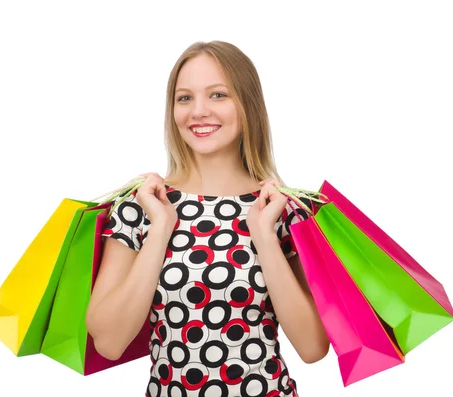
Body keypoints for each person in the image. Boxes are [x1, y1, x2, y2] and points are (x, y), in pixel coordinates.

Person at [85, 40, 329, 397]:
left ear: (248, 105)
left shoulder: (284, 209)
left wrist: (263, 236)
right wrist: (160, 229)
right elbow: (108, 342)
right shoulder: (140, 206)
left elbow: (313, 348)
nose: (198, 111)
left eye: (218, 95)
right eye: (184, 98)